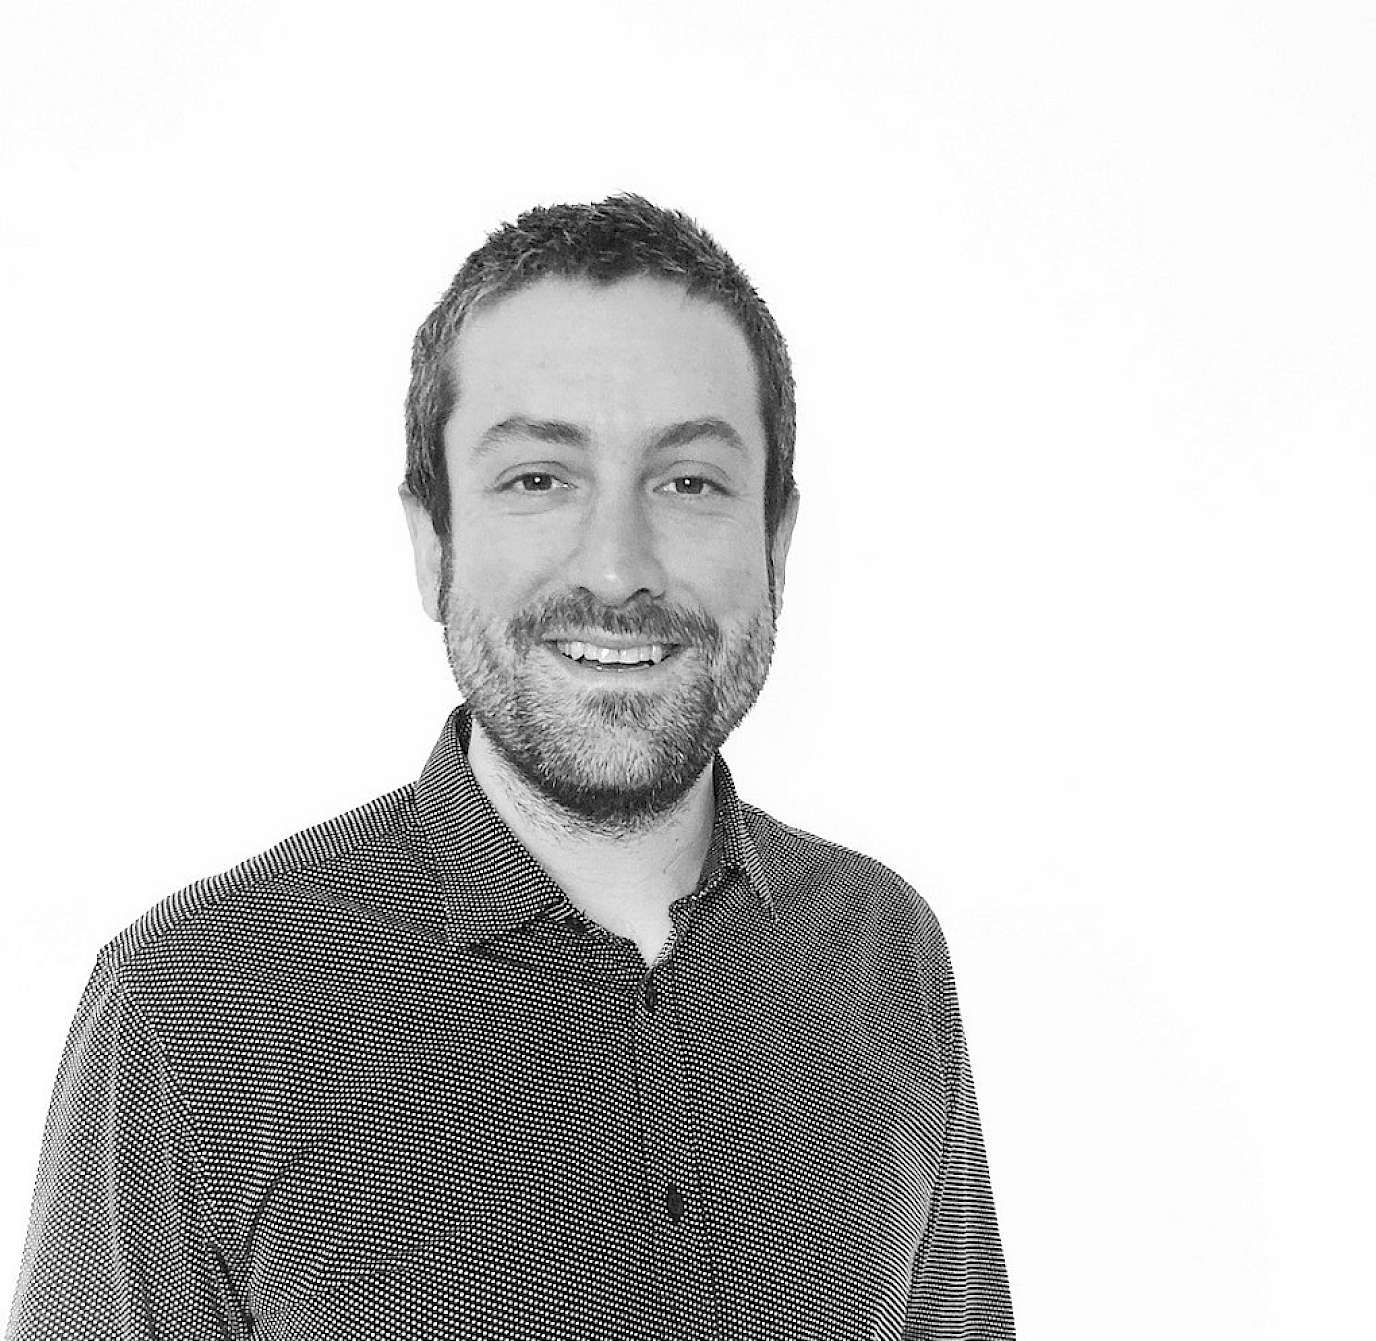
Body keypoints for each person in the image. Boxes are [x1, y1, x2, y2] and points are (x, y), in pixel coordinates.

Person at [6, 195, 1015, 1339]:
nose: (618, 568)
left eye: (689, 482)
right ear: (430, 543)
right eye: (538, 478)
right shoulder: (191, 1007)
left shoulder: (882, 950)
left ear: (775, 543)